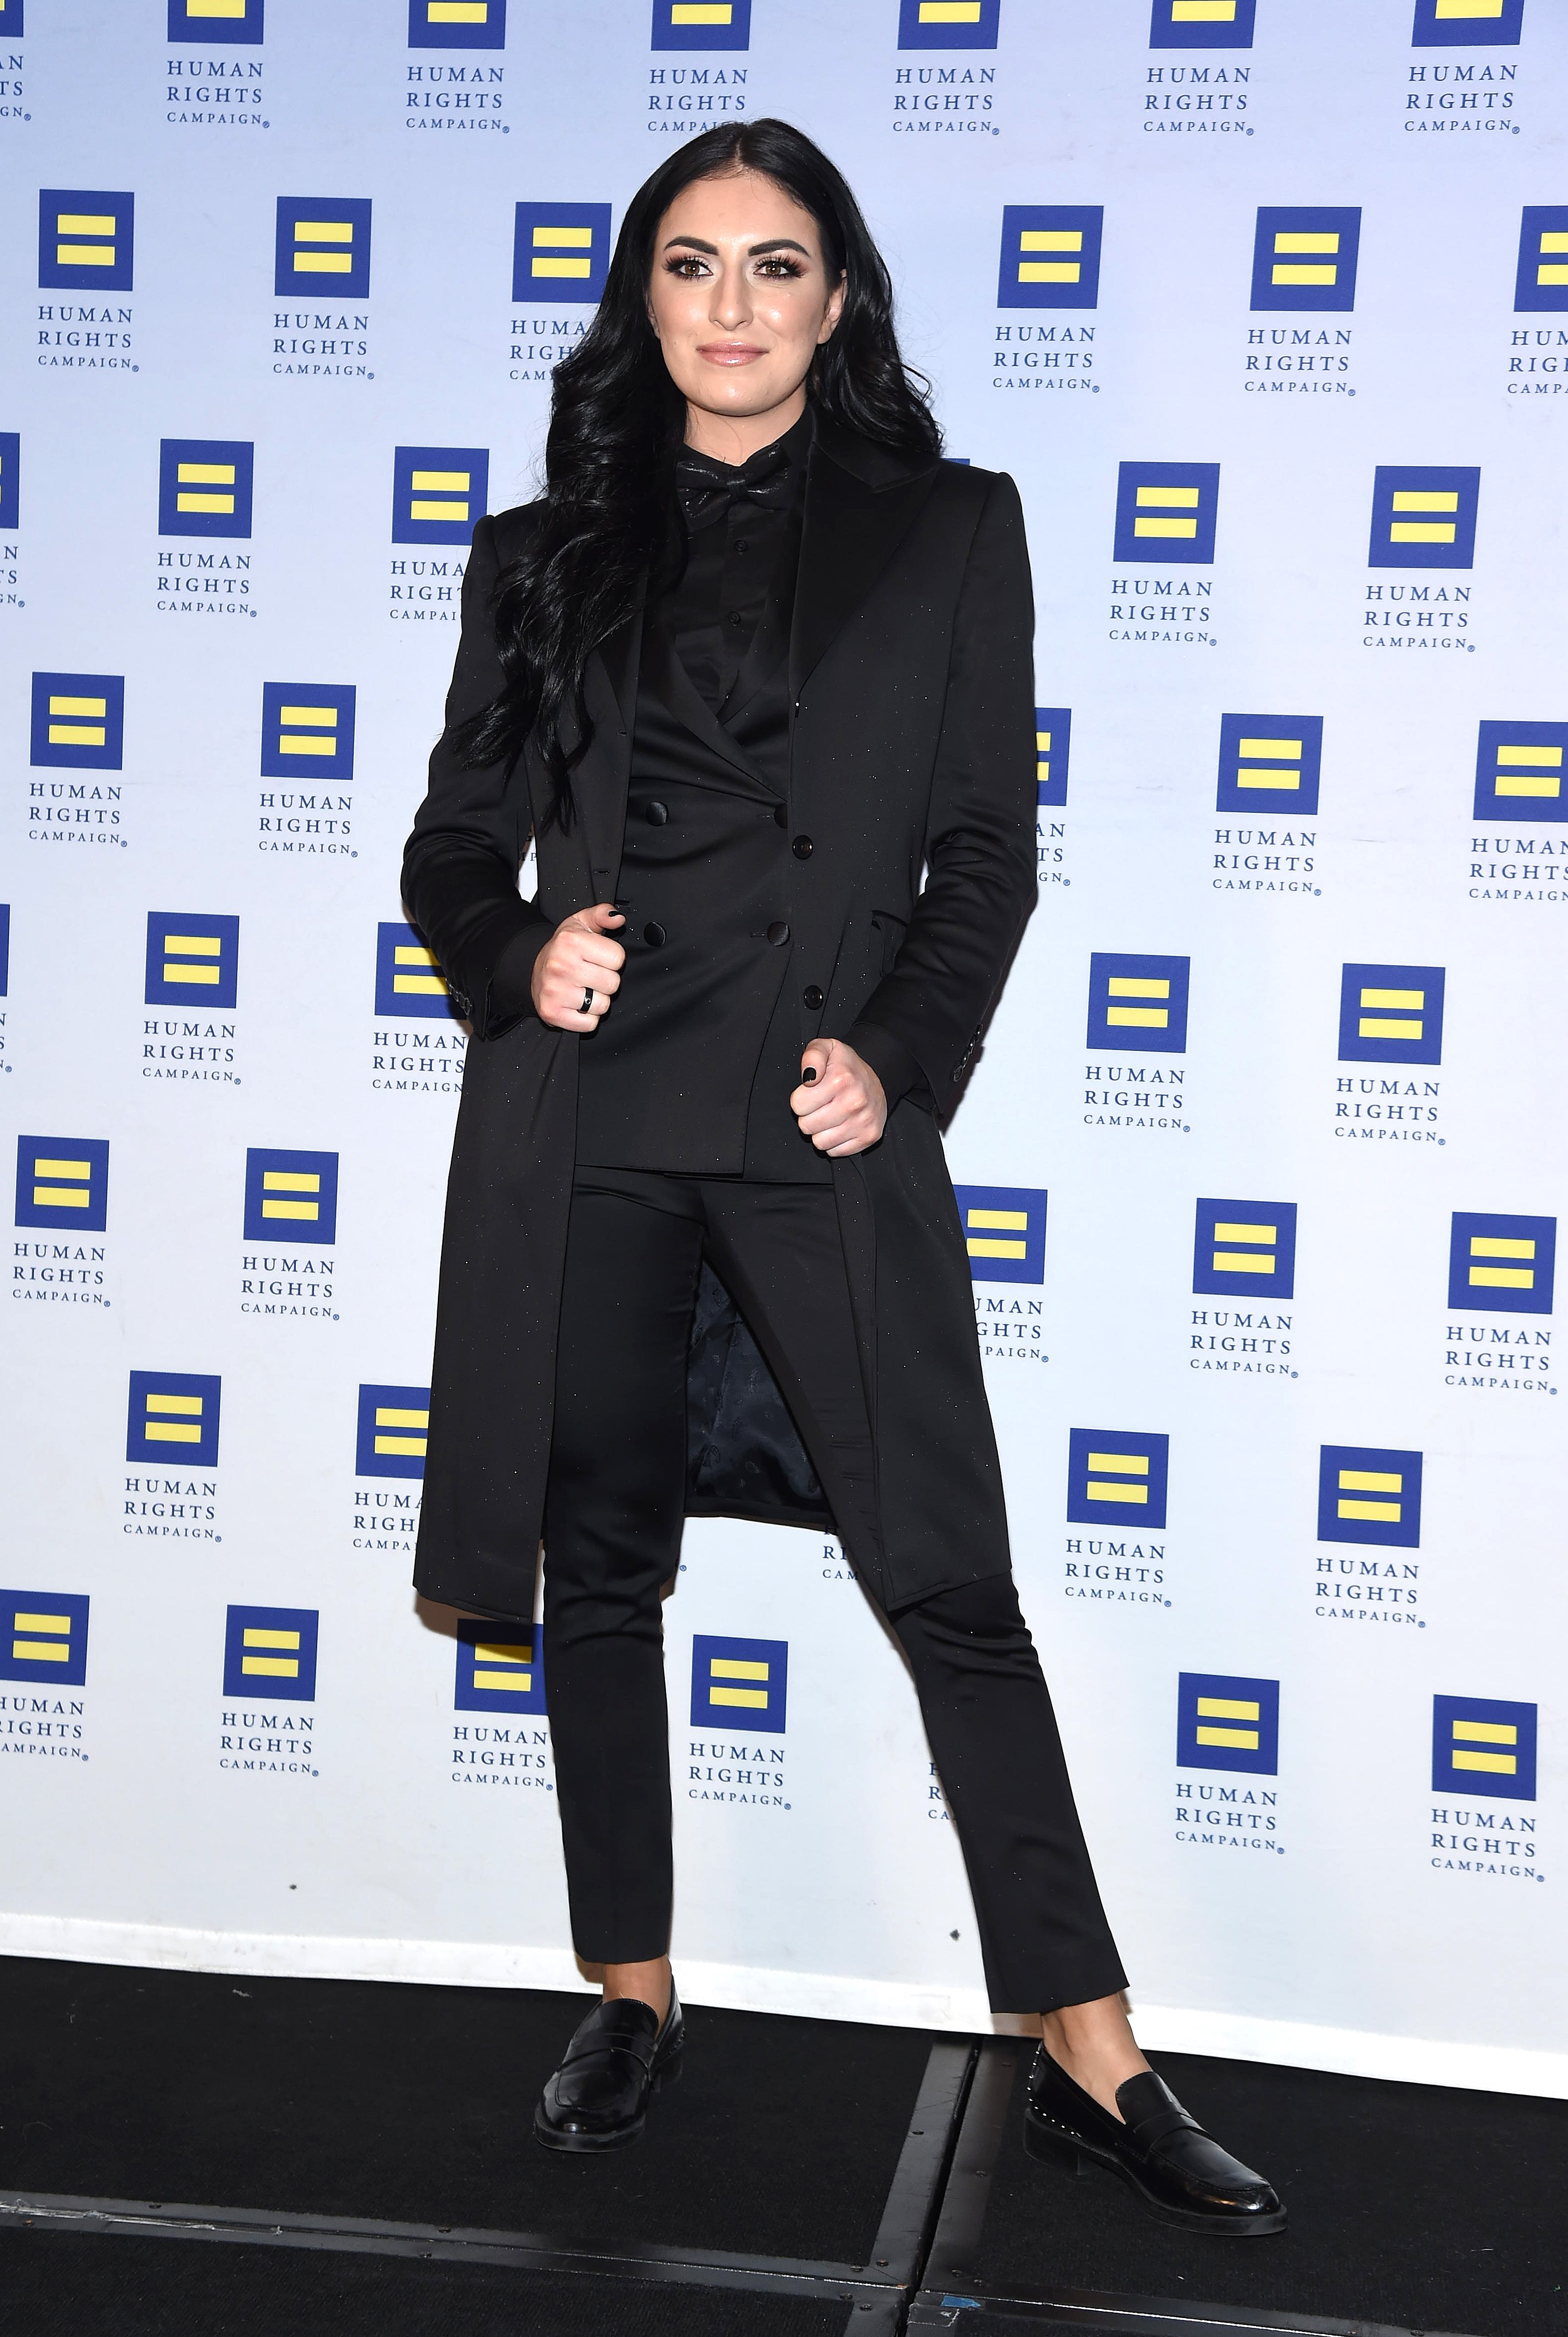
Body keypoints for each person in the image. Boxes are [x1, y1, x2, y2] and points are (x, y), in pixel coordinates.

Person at [402, 118, 1283, 2236]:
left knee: (945, 1582)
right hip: (594, 1125)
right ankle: (630, 1990)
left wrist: (893, 1065)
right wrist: (519, 950)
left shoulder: (951, 530)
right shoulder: (538, 557)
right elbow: (450, 840)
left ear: (833, 297)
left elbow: (984, 851)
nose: (728, 305)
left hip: (810, 1114)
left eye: (771, 266)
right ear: (642, 301)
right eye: (688, 265)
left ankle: (1085, 2042)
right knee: (600, 1573)